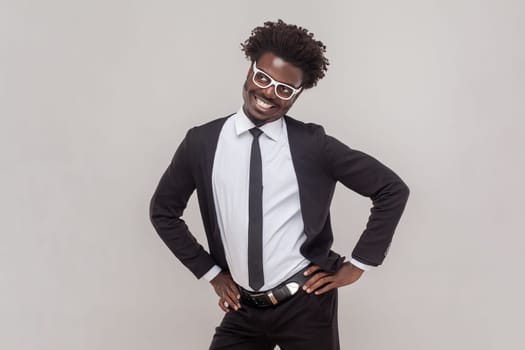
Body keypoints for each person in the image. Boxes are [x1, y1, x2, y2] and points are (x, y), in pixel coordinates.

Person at [149, 19, 409, 350]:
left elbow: (390, 189)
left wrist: (358, 264)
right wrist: (211, 272)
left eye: (285, 89)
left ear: (297, 94)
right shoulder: (202, 143)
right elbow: (163, 211)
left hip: (306, 305)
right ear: (250, 71)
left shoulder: (312, 145)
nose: (269, 93)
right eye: (262, 78)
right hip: (243, 308)